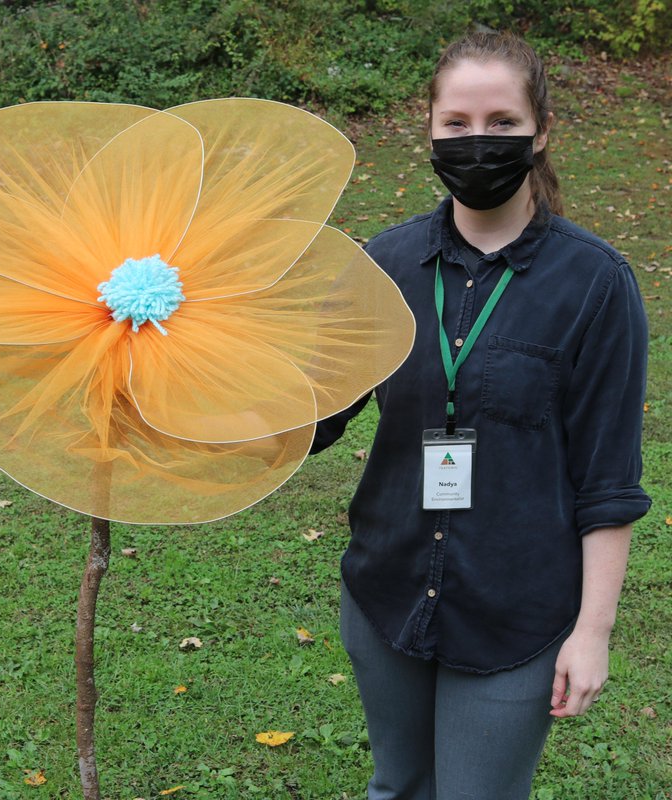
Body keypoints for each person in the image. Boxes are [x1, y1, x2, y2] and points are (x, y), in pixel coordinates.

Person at [311, 31, 650, 799]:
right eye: (457, 124)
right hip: (387, 588)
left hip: (517, 609)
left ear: (542, 131)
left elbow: (608, 482)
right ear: (428, 128)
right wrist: (181, 386)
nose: (478, 142)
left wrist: (592, 633)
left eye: (502, 123)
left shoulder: (595, 284)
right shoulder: (385, 265)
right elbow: (313, 417)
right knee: (396, 787)